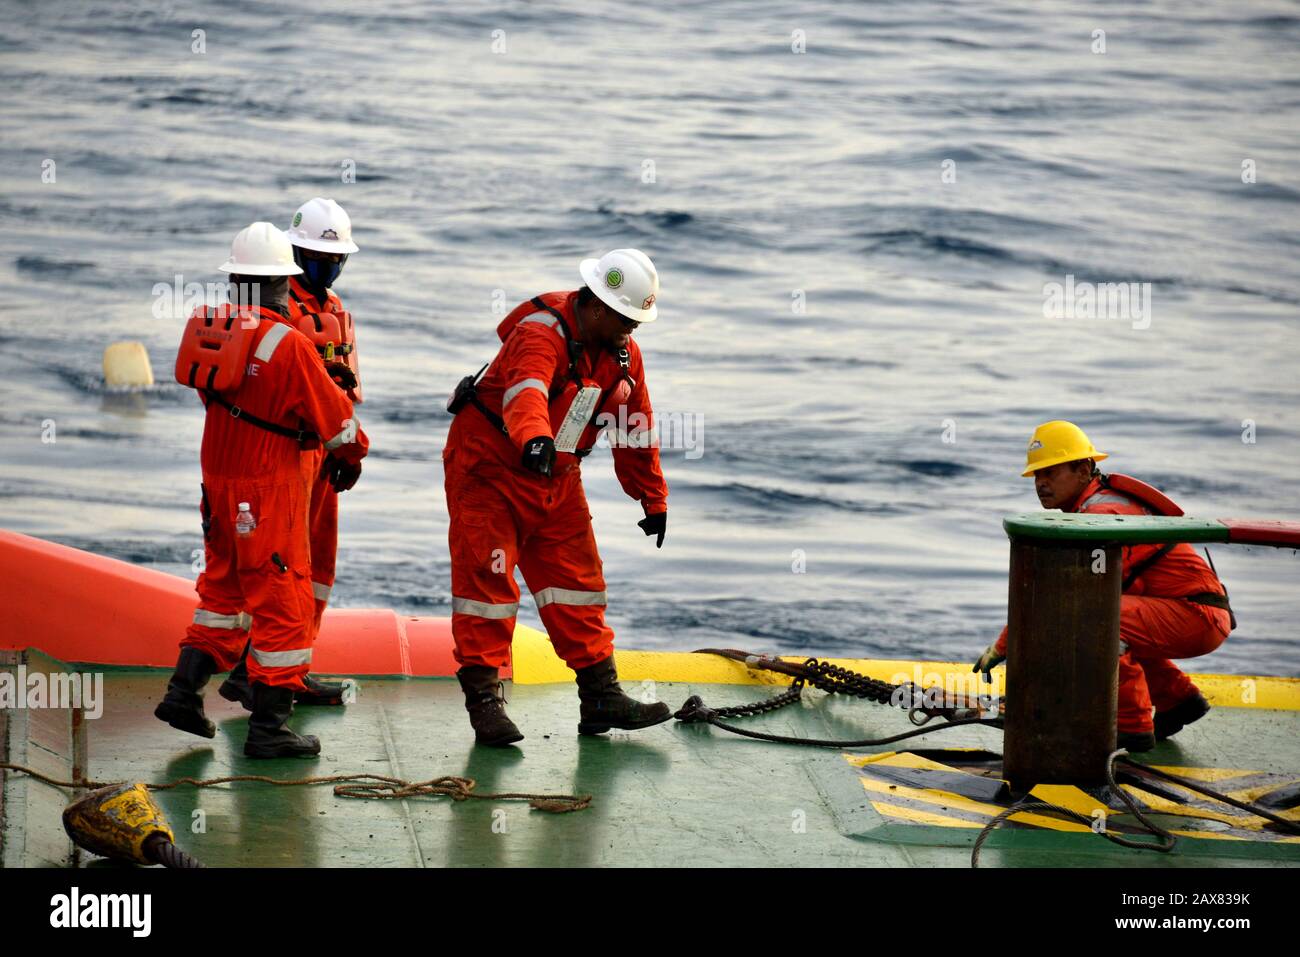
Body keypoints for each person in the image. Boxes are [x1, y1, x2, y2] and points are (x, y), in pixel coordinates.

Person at [156, 222, 369, 758]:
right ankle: (269, 729)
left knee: (223, 593)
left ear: (235, 279)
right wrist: (353, 454)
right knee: (285, 602)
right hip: (267, 488)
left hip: (217, 482)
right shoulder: (289, 344)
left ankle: (184, 694)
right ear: (283, 281)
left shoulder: (213, 329)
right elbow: (339, 423)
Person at [443, 248, 671, 746]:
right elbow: (525, 390)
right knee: (488, 584)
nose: (632, 329)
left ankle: (600, 695)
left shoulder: (624, 355)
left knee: (579, 584)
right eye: (626, 317)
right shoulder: (539, 334)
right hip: (490, 472)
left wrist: (651, 498)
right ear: (595, 307)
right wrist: (534, 439)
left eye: (638, 319)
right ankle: (485, 701)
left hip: (557, 476)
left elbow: (635, 426)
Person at [973, 420, 1233, 752]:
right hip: (1195, 612)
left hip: (1197, 616)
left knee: (1095, 617)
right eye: (1037, 475)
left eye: (1050, 472)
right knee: (1111, 618)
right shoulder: (1093, 506)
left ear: (1083, 469)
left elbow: (1071, 597)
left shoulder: (1101, 514)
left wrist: (1004, 646)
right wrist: (1006, 645)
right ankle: (1177, 701)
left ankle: (1131, 727)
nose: (1041, 483)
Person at [219, 198, 362, 710]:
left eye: (337, 259)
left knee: (317, 564)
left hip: (324, 453)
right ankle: (262, 672)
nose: (330, 268)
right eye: (321, 258)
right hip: (287, 456)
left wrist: (345, 445)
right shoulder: (277, 313)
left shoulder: (336, 311)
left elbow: (346, 385)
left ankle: (291, 666)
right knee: (284, 569)